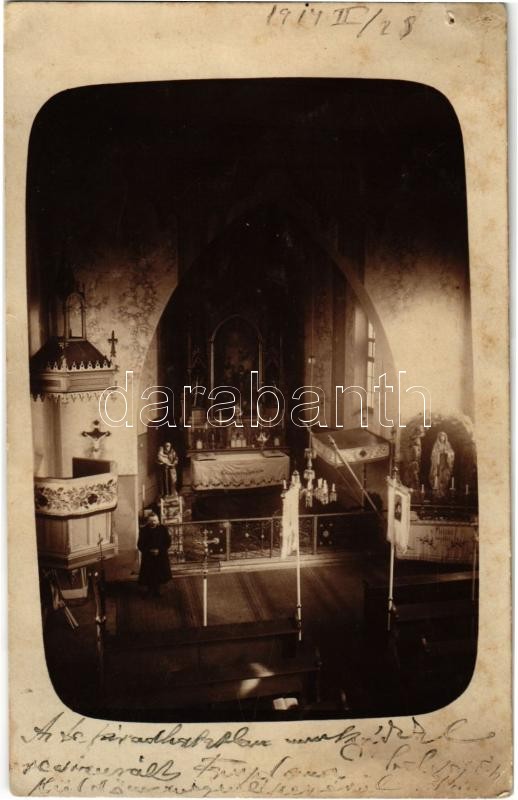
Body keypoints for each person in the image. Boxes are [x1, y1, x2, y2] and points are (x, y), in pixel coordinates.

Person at [137, 511, 172, 597]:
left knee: (159, 573)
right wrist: (149, 551)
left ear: (158, 521)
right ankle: (150, 590)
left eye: (155, 520)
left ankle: (157, 590)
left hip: (160, 556)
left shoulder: (163, 529)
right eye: (151, 521)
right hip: (148, 557)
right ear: (148, 521)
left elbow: (167, 542)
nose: (153, 522)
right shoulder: (144, 530)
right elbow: (140, 544)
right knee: (149, 574)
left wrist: (159, 550)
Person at [429, 431, 455, 499]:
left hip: (446, 463)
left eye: (443, 436)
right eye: (441, 436)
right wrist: (438, 453)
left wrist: (447, 453)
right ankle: (437, 491)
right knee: (437, 476)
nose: (442, 438)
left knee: (445, 477)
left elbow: (452, 453)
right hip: (438, 464)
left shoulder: (448, 445)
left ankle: (443, 491)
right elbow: (433, 454)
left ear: (445, 437)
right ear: (439, 437)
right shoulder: (436, 445)